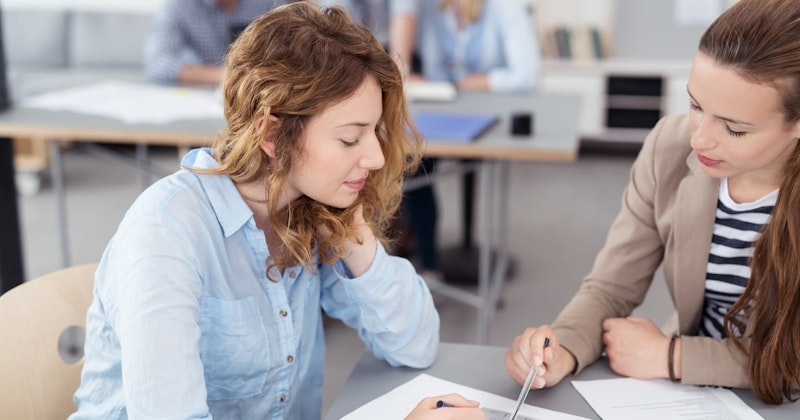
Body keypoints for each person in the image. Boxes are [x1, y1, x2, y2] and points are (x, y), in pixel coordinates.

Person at [71, 4, 443, 418]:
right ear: (272, 133)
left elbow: (416, 344)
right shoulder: (166, 233)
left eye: (373, 132)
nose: (375, 156)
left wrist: (357, 240)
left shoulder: (311, 210)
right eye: (350, 139)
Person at [504, 0, 800, 405]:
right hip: (689, 394)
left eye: (734, 129)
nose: (700, 140)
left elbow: (791, 360)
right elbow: (612, 286)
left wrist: (673, 356)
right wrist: (563, 348)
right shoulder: (671, 146)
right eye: (696, 105)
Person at [396, 0, 541, 283]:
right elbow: (435, 69)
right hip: (442, 112)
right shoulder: (432, 9)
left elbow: (527, 74)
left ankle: (472, 263)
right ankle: (429, 266)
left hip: (491, 115)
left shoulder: (505, 8)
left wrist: (475, 82)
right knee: (414, 165)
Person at [143, 0, 283, 85]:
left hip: (259, 91)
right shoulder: (181, 5)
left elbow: (289, 54)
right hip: (206, 91)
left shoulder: (270, 3)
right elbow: (158, 62)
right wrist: (225, 76)